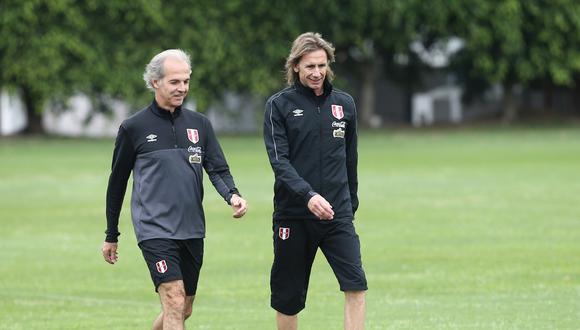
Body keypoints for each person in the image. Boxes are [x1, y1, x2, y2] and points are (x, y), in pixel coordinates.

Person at [101, 49, 247, 330]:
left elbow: (217, 168)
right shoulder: (134, 128)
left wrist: (232, 195)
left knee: (184, 307)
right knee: (174, 299)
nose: (182, 88)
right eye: (175, 82)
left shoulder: (200, 124)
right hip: (154, 230)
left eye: (186, 81)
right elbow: (117, 182)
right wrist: (111, 234)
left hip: (192, 228)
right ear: (155, 82)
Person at [263, 32, 367, 329]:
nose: (317, 72)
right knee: (288, 297)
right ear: (296, 66)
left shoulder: (344, 104)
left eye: (322, 65)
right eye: (310, 66)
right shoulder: (278, 105)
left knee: (356, 285)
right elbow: (279, 163)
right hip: (294, 215)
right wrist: (308, 196)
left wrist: (350, 204)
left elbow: (351, 160)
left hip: (337, 213)